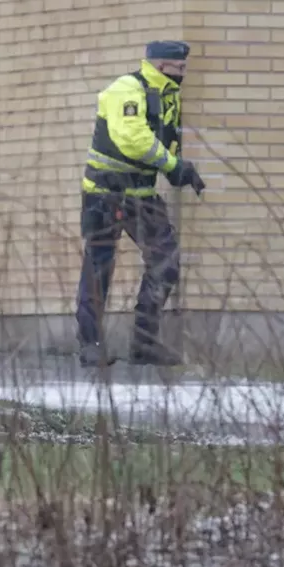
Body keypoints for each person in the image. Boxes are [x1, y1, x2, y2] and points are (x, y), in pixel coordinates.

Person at [75, 40, 207, 369]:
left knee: (166, 260)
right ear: (162, 66)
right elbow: (132, 138)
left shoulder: (167, 96)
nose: (184, 74)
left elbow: (163, 139)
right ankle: (90, 345)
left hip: (141, 194)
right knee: (98, 268)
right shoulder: (127, 88)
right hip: (105, 193)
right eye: (180, 68)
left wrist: (180, 168)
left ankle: (144, 344)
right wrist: (173, 166)